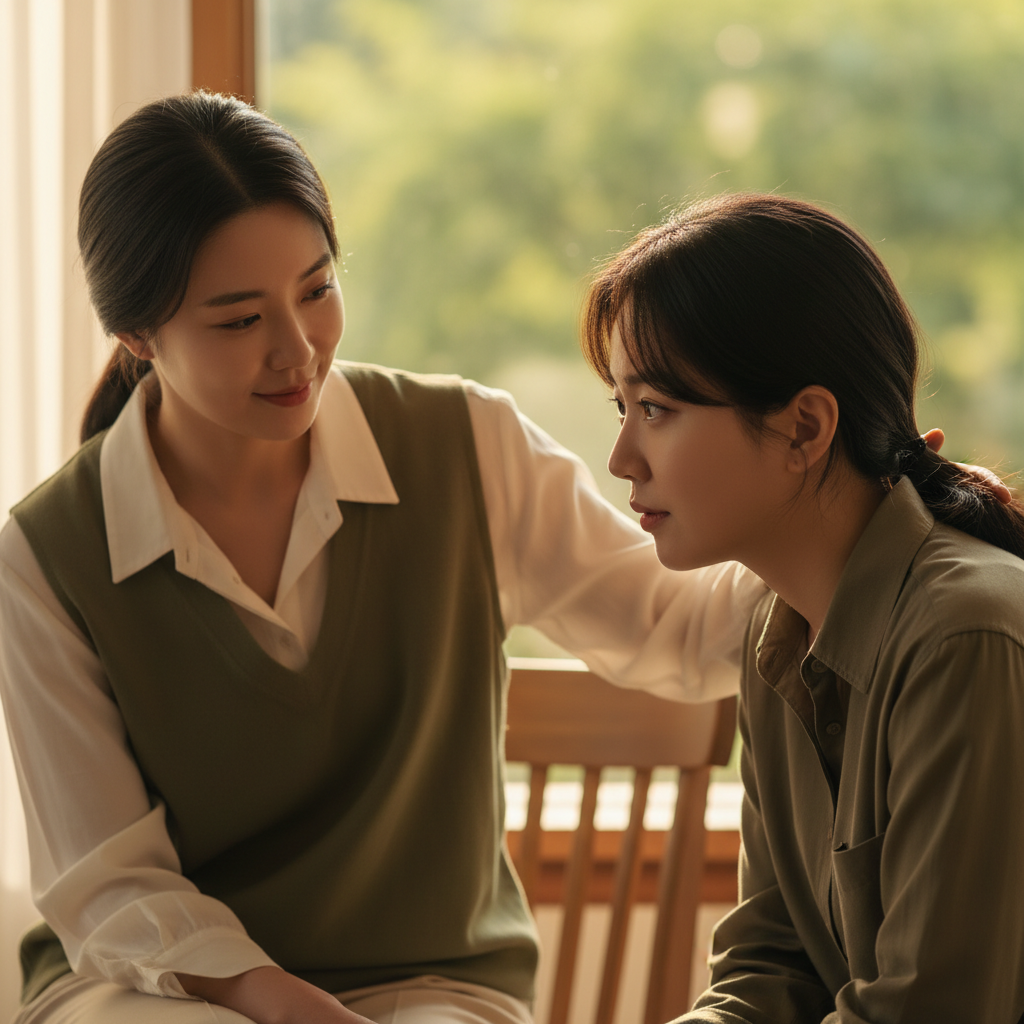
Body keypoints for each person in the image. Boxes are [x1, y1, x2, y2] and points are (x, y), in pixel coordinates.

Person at [0, 93, 769, 1024]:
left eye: (317, 290)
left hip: (436, 981)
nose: (297, 350)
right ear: (137, 337)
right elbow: (109, 883)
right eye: (240, 321)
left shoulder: (464, 444)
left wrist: (865, 519)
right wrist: (277, 1001)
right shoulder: (44, 559)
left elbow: (677, 629)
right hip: (156, 986)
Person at [582, 192, 1024, 1023]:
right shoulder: (774, 626)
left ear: (804, 428)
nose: (620, 458)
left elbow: (931, 1011)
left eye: (656, 410)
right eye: (621, 407)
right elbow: (770, 965)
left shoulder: (965, 636)